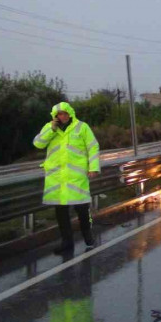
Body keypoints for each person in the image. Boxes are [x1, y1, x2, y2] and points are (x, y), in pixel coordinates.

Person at [33, 102, 100, 254]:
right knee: (61, 213)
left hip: (77, 178)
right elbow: (38, 144)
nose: (62, 116)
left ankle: (87, 235)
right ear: (55, 116)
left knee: (82, 210)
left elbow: (93, 147)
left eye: (64, 113)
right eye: (59, 114)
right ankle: (67, 243)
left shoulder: (82, 127)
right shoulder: (49, 128)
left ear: (70, 113)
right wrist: (51, 129)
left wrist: (93, 167)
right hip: (57, 179)